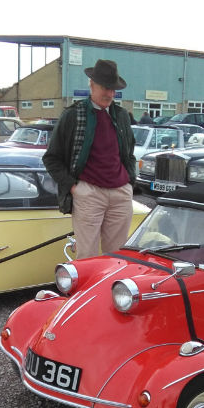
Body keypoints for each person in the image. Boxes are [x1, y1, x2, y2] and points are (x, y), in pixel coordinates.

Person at [43, 59, 136, 260]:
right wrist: (74, 187)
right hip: (89, 194)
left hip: (120, 193)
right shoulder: (73, 115)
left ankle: (114, 292)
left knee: (118, 257)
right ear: (91, 84)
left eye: (113, 89)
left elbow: (129, 153)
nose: (110, 94)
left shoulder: (121, 116)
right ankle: (90, 292)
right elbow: (51, 158)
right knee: (87, 257)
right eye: (105, 88)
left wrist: (129, 181)